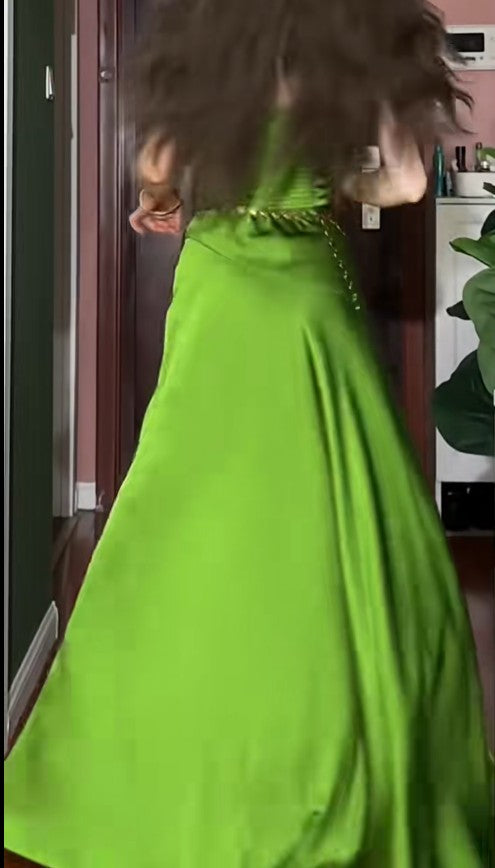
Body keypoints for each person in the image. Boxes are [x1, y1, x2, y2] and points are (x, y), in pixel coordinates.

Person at [4, 1, 493, 865]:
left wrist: (162, 197)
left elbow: (158, 164)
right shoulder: (356, 39)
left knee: (186, 506)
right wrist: (328, 176)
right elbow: (407, 187)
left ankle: (161, 751)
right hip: (307, 298)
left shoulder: (203, 44)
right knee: (336, 506)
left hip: (222, 288)